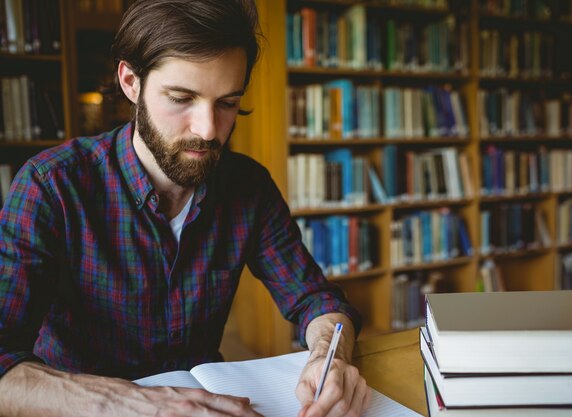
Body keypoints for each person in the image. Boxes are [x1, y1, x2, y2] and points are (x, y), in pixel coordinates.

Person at [0, 1, 370, 416]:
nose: (209, 130)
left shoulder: (248, 186)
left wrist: (330, 357)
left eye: (228, 103)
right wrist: (134, 402)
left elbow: (316, 299)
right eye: (181, 98)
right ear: (130, 82)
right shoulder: (50, 187)